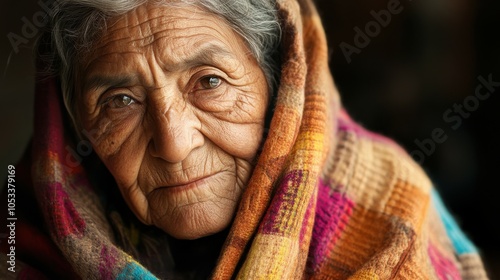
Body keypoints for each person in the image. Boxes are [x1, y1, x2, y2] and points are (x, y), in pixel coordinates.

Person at [0, 0, 489, 279]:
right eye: (120, 101)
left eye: (209, 81)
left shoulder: (387, 221)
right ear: (77, 127)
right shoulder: (29, 240)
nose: (173, 144)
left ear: (283, 86)